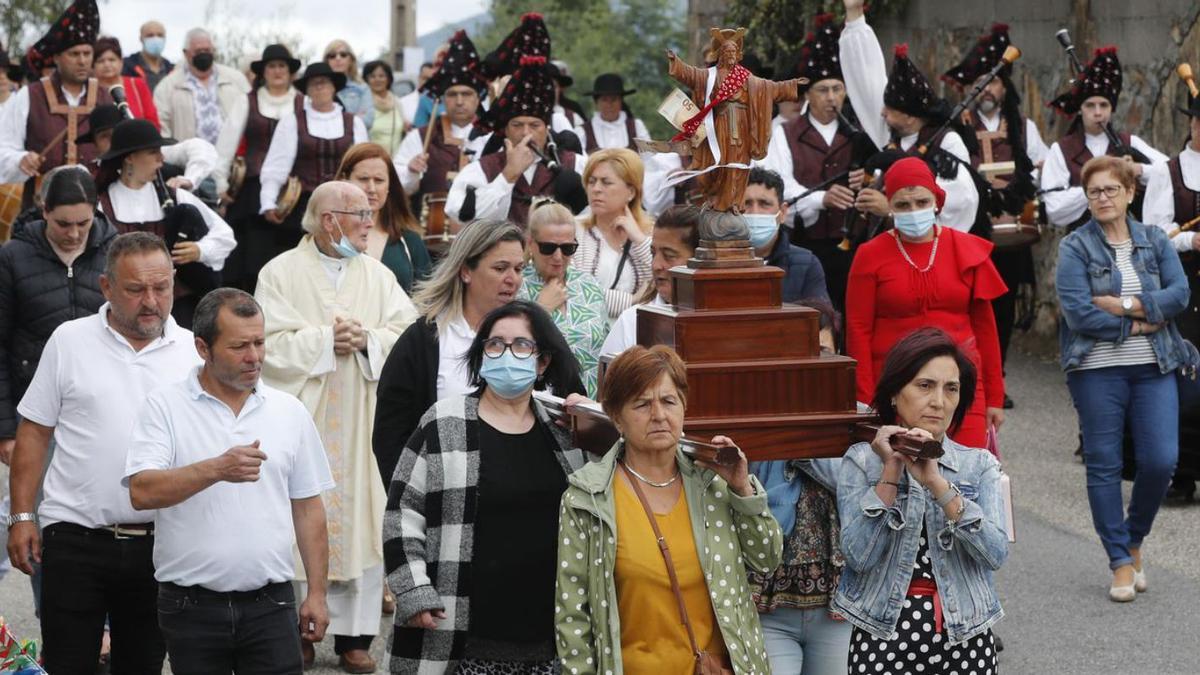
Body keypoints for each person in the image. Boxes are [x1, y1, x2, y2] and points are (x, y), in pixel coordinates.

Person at [5, 232, 200, 672]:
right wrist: (21, 517)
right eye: (135, 290)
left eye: (161, 287)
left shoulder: (194, 353)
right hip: (74, 537)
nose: (150, 301)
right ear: (106, 287)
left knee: (142, 664)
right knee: (69, 663)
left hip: (162, 544)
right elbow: (34, 432)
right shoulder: (68, 340)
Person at [123, 288, 334, 673]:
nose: (254, 357)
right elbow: (141, 491)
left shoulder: (289, 411)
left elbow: (308, 508)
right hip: (190, 607)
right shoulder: (165, 406)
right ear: (203, 348)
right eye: (239, 346)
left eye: (259, 342)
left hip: (272, 605)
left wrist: (317, 593)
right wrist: (216, 469)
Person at [254, 181, 416, 671]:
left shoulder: (378, 275)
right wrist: (325, 340)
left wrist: (367, 339)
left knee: (364, 516)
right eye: (361, 214)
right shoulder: (279, 273)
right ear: (329, 220)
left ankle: (354, 637)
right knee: (297, 515)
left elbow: (406, 333)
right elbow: (265, 343)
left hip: (363, 418)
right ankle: (296, 630)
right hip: (305, 418)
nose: (371, 222)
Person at [383, 300, 587, 673]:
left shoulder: (565, 434)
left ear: (542, 362)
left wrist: (595, 425)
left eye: (522, 345)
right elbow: (402, 513)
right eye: (495, 344)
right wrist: (413, 589)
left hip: (548, 639)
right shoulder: (444, 423)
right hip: (460, 634)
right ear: (481, 355)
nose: (507, 354)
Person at [555, 345, 781, 674]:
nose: (659, 415)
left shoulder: (712, 483)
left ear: (684, 408)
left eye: (669, 401)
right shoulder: (587, 499)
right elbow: (573, 616)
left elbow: (768, 558)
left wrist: (742, 488)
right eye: (642, 404)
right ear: (617, 417)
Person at [833, 327, 1008, 673]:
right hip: (882, 632)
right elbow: (859, 555)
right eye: (924, 386)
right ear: (896, 394)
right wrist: (891, 471)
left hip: (965, 634)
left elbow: (995, 553)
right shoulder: (862, 461)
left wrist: (937, 484)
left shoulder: (979, 464)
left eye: (951, 389)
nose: (938, 401)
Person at [1056, 155, 1191, 601]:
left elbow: (1179, 294)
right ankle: (1118, 560)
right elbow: (1078, 312)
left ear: (1131, 193)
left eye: (1112, 189)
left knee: (1160, 460)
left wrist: (1126, 305)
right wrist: (1140, 320)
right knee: (1105, 464)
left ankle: (1134, 539)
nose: (1103, 198)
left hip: (1155, 367)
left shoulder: (1155, 240)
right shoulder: (1074, 248)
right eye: (1094, 191)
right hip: (1096, 371)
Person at [375, 220, 567, 489]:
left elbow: (569, 401)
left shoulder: (539, 333)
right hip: (448, 499)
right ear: (466, 271)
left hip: (529, 493)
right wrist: (412, 501)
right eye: (500, 268)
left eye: (518, 268)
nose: (512, 279)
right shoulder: (425, 340)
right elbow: (390, 435)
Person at [846, 157, 1006, 448]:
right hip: (896, 386)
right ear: (890, 206)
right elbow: (858, 330)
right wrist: (865, 399)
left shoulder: (966, 248)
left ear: (937, 201)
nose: (914, 211)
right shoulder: (869, 254)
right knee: (899, 474)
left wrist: (995, 396)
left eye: (921, 202)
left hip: (961, 384)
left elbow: (986, 329)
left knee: (969, 472)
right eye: (903, 205)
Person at [943, 23, 1049, 410]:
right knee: (967, 308)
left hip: (1011, 234)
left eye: (994, 83)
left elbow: (1039, 170)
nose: (987, 90)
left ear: (1005, 87)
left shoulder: (1024, 126)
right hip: (973, 232)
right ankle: (963, 380)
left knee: (1001, 312)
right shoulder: (955, 128)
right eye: (980, 83)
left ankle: (996, 380)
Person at [748, 299, 848, 675]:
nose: (811, 365)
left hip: (836, 609)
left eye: (822, 353)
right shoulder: (753, 416)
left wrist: (798, 440)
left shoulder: (854, 417)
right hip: (768, 607)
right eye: (799, 355)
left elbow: (852, 485)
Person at [0, 167, 114, 462]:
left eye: (83, 223)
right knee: (31, 505)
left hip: (103, 408)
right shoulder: (13, 257)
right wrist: (5, 430)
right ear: (45, 211)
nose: (74, 234)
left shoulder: (116, 253)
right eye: (63, 224)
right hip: (34, 410)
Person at [838, 0, 981, 231]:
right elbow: (866, 80)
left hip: (934, 246)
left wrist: (891, 209)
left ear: (911, 117)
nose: (882, 113)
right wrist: (854, 13)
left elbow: (961, 202)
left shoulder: (947, 143)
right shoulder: (890, 134)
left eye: (891, 109)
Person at [758, 14, 859, 312]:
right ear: (808, 95)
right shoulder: (786, 134)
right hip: (805, 244)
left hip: (853, 245)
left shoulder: (858, 134)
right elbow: (779, 185)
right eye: (823, 90)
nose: (832, 98)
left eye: (837, 89)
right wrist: (821, 198)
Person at [445, 15, 586, 226]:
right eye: (517, 125)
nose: (525, 133)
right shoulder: (482, 169)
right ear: (506, 129)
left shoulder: (577, 165)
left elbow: (594, 216)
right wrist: (508, 176)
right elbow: (462, 215)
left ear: (547, 127)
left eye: (534, 125)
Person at [94, 119, 236, 327]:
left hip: (177, 309)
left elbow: (225, 235)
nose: (161, 159)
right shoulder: (102, 205)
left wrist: (200, 250)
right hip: (125, 310)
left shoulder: (175, 196)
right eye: (153, 152)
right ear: (130, 158)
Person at [665, 28, 806, 212]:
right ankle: (718, 203)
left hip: (741, 128)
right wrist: (676, 62)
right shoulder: (710, 77)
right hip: (718, 128)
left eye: (733, 52)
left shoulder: (748, 80)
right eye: (726, 51)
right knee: (717, 165)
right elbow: (691, 74)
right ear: (720, 54)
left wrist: (792, 85)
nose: (730, 55)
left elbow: (769, 87)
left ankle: (736, 204)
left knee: (739, 167)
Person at [1141, 94, 1200, 503]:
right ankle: (1181, 475)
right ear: (1192, 124)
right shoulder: (1168, 171)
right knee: (1188, 377)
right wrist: (1194, 238)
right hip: (1186, 285)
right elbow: (1154, 232)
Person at [0, 0, 111, 210]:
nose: (82, 61)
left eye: (87, 54)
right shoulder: (30, 95)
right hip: (39, 210)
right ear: (57, 58)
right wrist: (20, 159)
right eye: (74, 54)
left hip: (97, 209)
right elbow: (2, 147)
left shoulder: (107, 97)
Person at [1041, 46, 1166, 230]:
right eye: (1090, 105)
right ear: (1080, 109)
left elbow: (1169, 174)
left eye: (1104, 105)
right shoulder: (1062, 149)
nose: (1098, 113)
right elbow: (1054, 208)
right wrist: (1097, 187)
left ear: (1111, 109)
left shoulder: (1129, 142)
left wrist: (1137, 169)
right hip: (1081, 244)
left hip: (1127, 238)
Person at [258, 62, 368, 266]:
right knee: (301, 263)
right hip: (304, 207)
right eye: (314, 84)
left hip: (344, 208)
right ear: (307, 90)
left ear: (334, 87)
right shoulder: (292, 121)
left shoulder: (354, 123)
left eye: (324, 83)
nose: (320, 87)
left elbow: (362, 167)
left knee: (343, 259)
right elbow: (276, 165)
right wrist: (269, 201)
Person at [220, 43, 302, 293]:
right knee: (253, 262)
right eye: (272, 66)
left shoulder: (303, 102)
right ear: (263, 72)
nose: (277, 71)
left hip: (295, 193)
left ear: (290, 72)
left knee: (293, 261)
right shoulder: (247, 102)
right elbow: (226, 144)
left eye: (282, 66)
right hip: (253, 194)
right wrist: (221, 183)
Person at [393, 30, 490, 237]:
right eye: (453, 94)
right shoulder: (421, 136)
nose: (460, 101)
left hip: (480, 237)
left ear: (477, 99)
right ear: (444, 99)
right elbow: (395, 182)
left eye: (466, 94)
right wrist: (410, 170)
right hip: (431, 236)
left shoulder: (491, 138)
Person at [516, 200, 608, 396]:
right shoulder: (516, 286)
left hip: (589, 403)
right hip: (537, 401)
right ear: (531, 244)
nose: (558, 257)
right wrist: (540, 309)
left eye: (567, 248)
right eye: (548, 248)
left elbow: (606, 352)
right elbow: (513, 346)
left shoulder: (588, 284)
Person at [154, 27, 250, 203]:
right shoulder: (168, 86)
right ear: (186, 53)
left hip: (234, 169)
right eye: (199, 51)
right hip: (190, 169)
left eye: (207, 50)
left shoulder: (236, 80)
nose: (204, 54)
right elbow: (163, 130)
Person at [601, 204, 701, 355]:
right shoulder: (631, 323)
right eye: (653, 253)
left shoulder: (729, 320)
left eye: (669, 256)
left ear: (699, 260)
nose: (656, 265)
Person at [336, 142, 433, 293]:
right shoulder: (328, 237)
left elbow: (428, 301)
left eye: (379, 180)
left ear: (389, 187)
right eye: (363, 179)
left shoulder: (410, 241)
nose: (372, 189)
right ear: (344, 180)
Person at [573, 148, 654, 320]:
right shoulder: (573, 231)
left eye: (606, 182)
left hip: (637, 338)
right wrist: (631, 302)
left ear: (631, 192)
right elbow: (573, 289)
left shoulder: (651, 234)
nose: (596, 189)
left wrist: (638, 239)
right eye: (591, 181)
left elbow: (663, 281)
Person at [743, 167, 830, 302]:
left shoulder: (807, 264)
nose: (755, 212)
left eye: (764, 204)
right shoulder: (717, 264)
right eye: (746, 204)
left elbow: (820, 318)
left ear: (782, 212)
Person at [93, 36, 159, 129]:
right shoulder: (90, 89)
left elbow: (153, 121)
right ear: (93, 65)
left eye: (112, 60)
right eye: (101, 61)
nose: (107, 65)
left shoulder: (137, 85)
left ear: (121, 62)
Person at [580, 73, 649, 153]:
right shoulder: (583, 132)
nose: (609, 104)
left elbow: (648, 158)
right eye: (604, 100)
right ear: (596, 102)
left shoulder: (637, 127)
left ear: (621, 101)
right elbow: (580, 163)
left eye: (614, 99)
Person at [323, 39, 373, 128]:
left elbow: (368, 121)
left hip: (356, 141)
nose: (338, 58)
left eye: (343, 55)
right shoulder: (319, 88)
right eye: (332, 55)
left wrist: (332, 119)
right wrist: (354, 118)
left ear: (351, 60)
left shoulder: (362, 88)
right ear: (327, 61)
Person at [362, 60, 405, 155]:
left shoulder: (397, 102)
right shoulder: (363, 104)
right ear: (366, 80)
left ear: (389, 79)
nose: (377, 80)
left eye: (381, 76)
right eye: (372, 76)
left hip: (395, 163)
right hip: (370, 162)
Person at [121, 20, 173, 94]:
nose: (156, 39)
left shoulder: (172, 70)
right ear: (141, 38)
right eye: (150, 35)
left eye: (160, 35)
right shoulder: (127, 67)